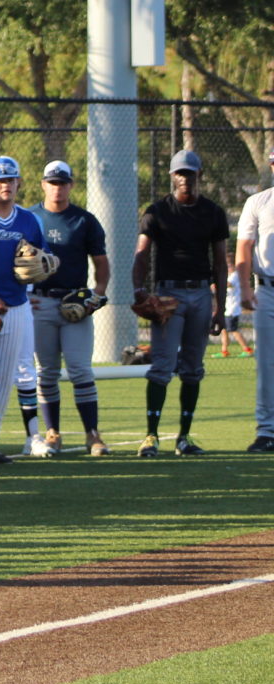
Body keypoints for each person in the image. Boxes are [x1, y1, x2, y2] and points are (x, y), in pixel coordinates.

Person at [134, 149, 228, 457]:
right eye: (179, 173)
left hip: (201, 293)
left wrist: (221, 308)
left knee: (192, 368)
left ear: (200, 175)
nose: (184, 178)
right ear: (172, 176)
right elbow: (142, 252)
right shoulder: (158, 211)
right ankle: (151, 436)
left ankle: (184, 438)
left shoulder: (213, 212)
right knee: (161, 367)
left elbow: (220, 262)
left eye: (189, 173)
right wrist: (139, 290)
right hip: (168, 294)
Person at [30, 160, 112, 456]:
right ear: (43, 184)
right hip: (40, 301)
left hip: (74, 303)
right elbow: (15, 262)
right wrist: (24, 294)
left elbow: (101, 262)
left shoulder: (84, 220)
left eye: (62, 182)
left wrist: (97, 294)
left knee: (80, 370)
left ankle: (92, 433)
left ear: (71, 185)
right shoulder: (30, 218)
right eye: (52, 182)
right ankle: (52, 432)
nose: (57, 187)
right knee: (47, 372)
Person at [0, 157, 44, 464]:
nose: (6, 184)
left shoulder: (29, 220)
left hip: (16, 304)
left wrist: (40, 270)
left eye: (11, 179)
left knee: (3, 377)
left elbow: (43, 260)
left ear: (19, 183)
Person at [235, 153, 274, 451]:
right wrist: (246, 289)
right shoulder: (258, 201)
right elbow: (244, 248)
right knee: (267, 364)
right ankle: (267, 430)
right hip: (268, 291)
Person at [219, 268, 252, 357]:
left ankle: (247, 349)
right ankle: (224, 350)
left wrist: (217, 282)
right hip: (227, 308)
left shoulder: (234, 275)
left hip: (232, 309)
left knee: (233, 330)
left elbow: (229, 284)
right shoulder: (231, 275)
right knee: (224, 329)